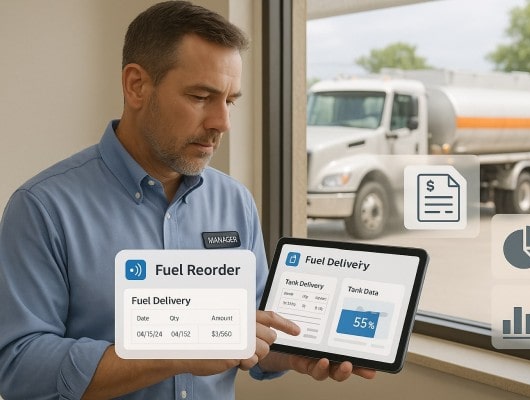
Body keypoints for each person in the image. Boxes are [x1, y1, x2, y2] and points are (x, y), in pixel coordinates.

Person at [0, 1, 375, 399]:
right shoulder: (42, 208)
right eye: (201, 96)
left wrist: (290, 351)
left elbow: (249, 330)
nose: (222, 123)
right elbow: (18, 365)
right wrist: (183, 344)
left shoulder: (235, 202)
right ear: (136, 86)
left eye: (230, 101)